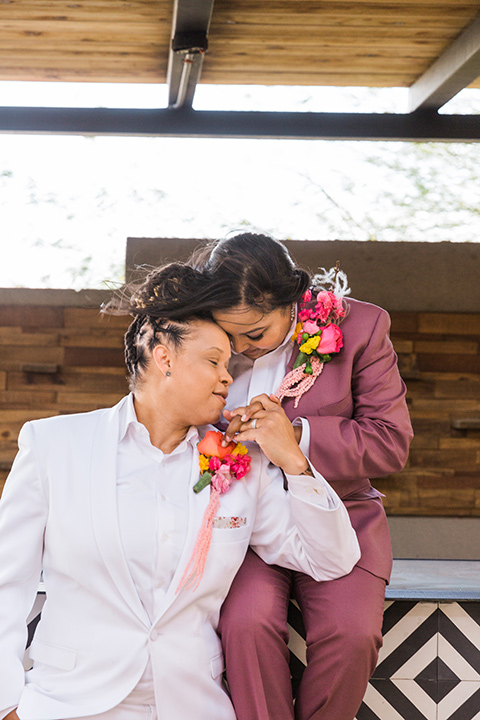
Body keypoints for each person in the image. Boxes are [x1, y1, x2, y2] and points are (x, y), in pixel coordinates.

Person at [0, 263, 360, 720]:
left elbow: (330, 559)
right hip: (68, 704)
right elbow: (5, 584)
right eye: (213, 361)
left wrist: (294, 461)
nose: (228, 378)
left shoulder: (241, 468)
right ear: (163, 356)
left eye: (229, 366)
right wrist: (6, 703)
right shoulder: (54, 446)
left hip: (193, 708)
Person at [189, 233, 414, 720]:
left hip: (343, 517)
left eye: (255, 333)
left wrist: (295, 438)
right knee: (245, 625)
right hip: (240, 523)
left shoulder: (361, 327)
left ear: (291, 301)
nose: (239, 347)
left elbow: (390, 442)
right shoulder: (203, 338)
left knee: (352, 635)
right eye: (229, 335)